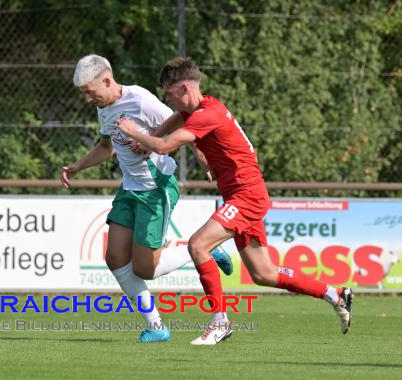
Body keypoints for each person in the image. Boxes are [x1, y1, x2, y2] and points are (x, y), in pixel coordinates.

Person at [115, 57, 353, 345]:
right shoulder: (202, 107)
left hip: (246, 194)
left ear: (186, 87)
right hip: (243, 193)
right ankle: (335, 294)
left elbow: (166, 147)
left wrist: (135, 133)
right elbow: (179, 119)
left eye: (169, 92)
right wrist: (154, 135)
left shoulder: (206, 114)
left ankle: (220, 323)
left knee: (197, 244)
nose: (167, 98)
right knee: (263, 273)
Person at [61, 54, 233, 343]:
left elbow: (183, 124)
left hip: (157, 189)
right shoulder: (104, 109)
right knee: (114, 257)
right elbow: (107, 147)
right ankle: (156, 327)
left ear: (106, 80)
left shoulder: (140, 99)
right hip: (129, 189)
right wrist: (78, 166)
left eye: (91, 92)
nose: (89, 99)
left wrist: (203, 158)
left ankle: (204, 252)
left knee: (145, 269)